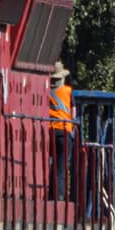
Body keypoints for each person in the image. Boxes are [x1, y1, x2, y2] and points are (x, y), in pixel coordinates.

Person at [48, 64, 73, 199]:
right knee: (61, 169)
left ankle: (49, 193)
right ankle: (59, 197)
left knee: (50, 165)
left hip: (49, 132)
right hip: (64, 132)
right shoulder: (68, 91)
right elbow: (73, 112)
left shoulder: (46, 92)